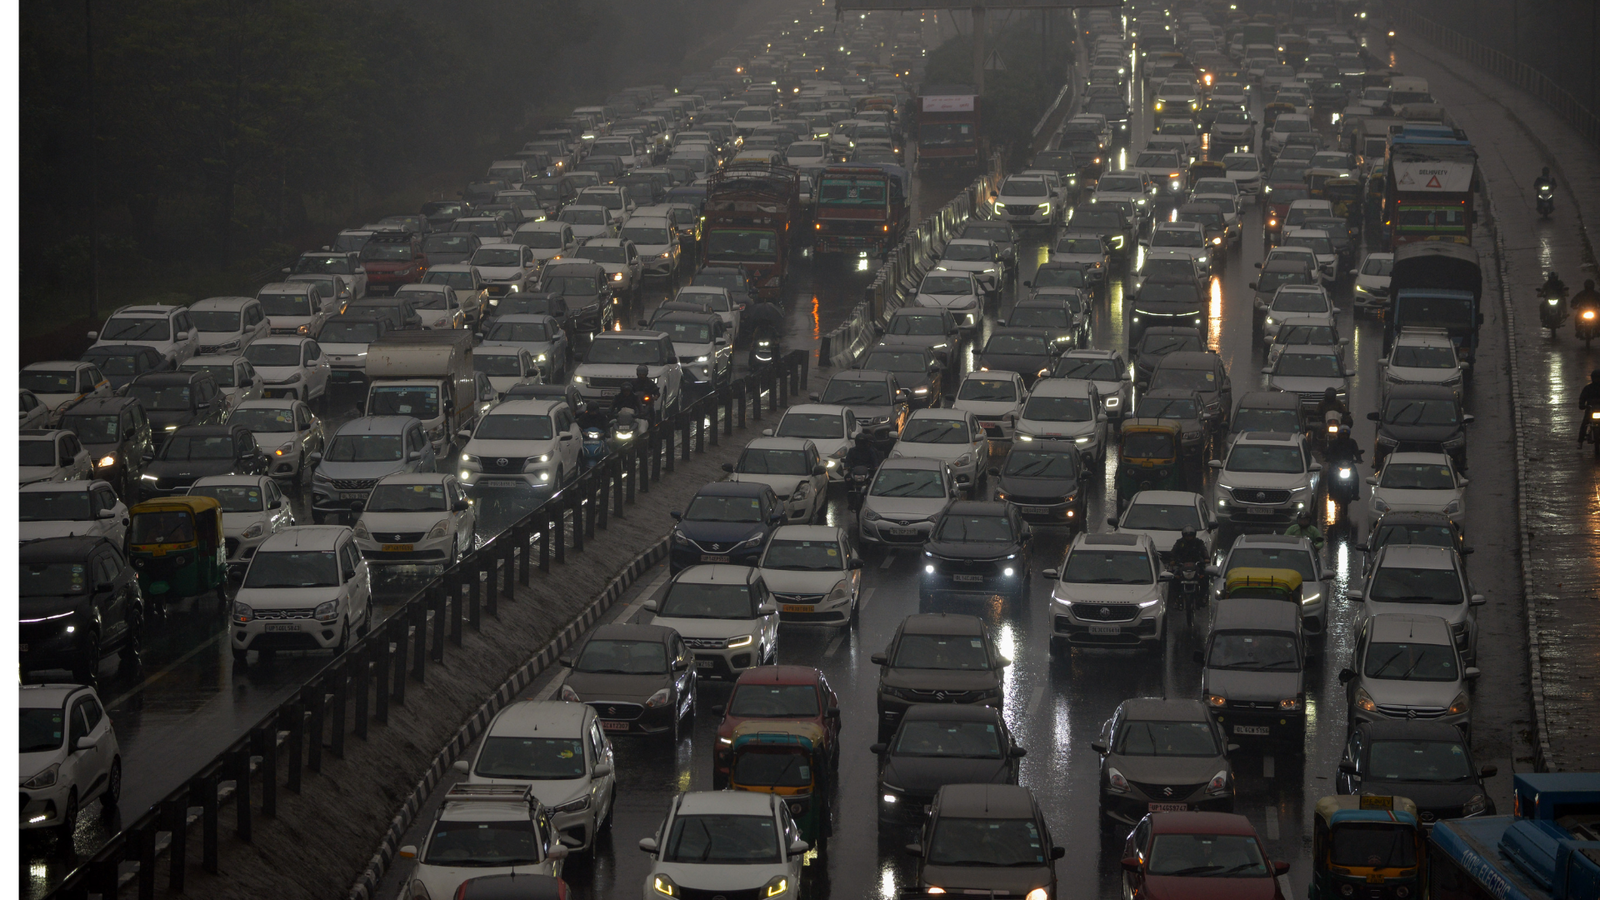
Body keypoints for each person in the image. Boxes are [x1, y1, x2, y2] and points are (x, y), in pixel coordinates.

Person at [1580, 369, 1600, 446]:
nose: (1597, 380)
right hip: (1591, 409)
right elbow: (1582, 398)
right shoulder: (1588, 388)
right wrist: (1581, 405)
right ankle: (1580, 441)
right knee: (1585, 423)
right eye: (1596, 378)